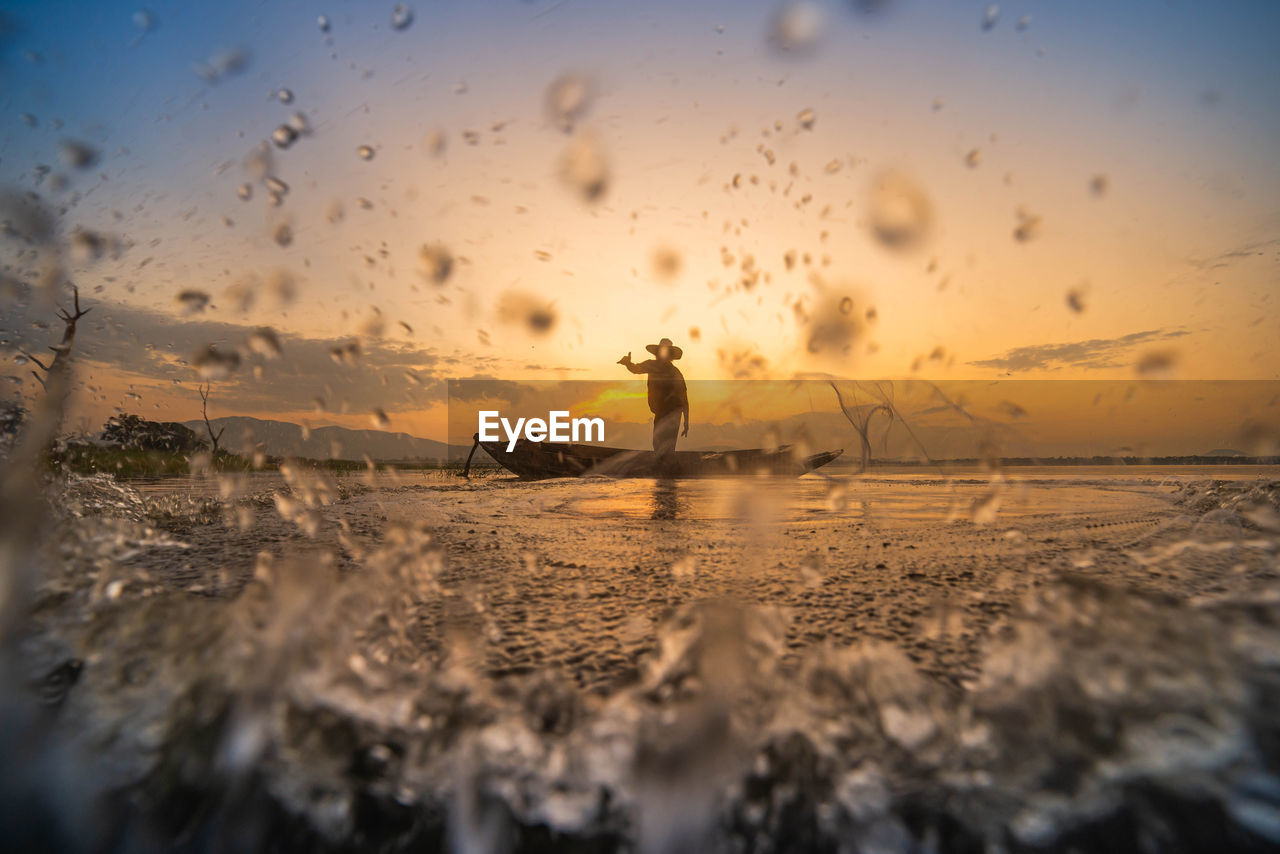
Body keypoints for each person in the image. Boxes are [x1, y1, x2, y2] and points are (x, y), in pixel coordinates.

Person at [618, 337, 689, 459]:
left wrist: (686, 421)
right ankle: (663, 470)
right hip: (661, 413)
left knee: (667, 447)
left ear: (670, 355)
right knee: (658, 444)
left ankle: (666, 469)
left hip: (673, 414)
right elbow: (636, 369)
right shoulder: (652, 365)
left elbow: (684, 398)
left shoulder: (675, 372)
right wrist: (628, 364)